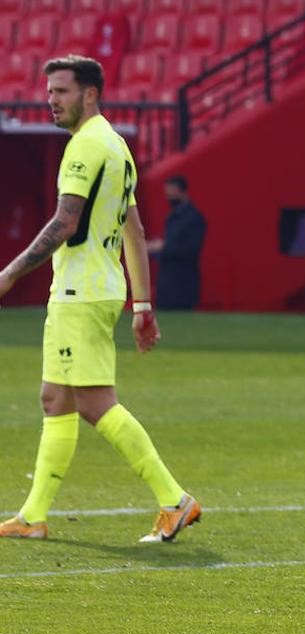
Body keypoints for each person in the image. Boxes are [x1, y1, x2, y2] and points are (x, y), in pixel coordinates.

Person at [0, 55, 200, 543]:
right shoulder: (116, 146)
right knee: (56, 399)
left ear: (89, 93)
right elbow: (134, 231)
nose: (51, 100)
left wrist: (7, 274)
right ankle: (33, 517)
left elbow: (64, 223)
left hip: (80, 292)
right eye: (49, 91)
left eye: (61, 91)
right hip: (95, 289)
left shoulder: (85, 148)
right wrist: (143, 307)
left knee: (92, 403)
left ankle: (174, 500)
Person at [149, 174, 205, 311]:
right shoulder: (172, 217)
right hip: (166, 286)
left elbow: (191, 250)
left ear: (182, 192)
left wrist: (163, 247)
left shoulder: (194, 218)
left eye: (172, 193)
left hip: (183, 286)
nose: (168, 197)